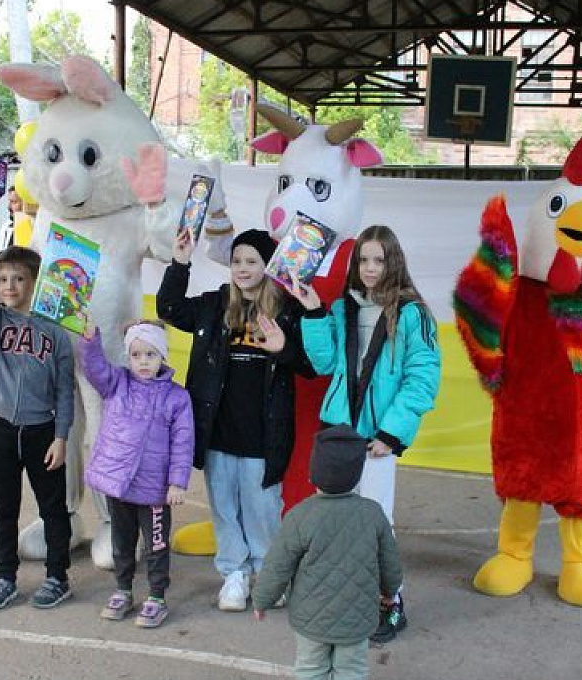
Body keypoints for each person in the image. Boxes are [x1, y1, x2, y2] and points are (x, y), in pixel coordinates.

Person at [284, 225, 441, 642]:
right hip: (338, 433)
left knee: (375, 523)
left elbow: (422, 379)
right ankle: (352, 599)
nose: (370, 268)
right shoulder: (342, 308)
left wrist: (391, 434)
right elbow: (322, 365)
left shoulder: (413, 314)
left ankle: (391, 604)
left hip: (377, 439)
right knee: (336, 522)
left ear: (394, 262)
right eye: (364, 260)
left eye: (379, 259)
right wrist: (314, 311)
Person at [157, 227, 309, 612]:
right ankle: (234, 576)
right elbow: (169, 309)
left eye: (251, 261)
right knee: (224, 508)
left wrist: (284, 349)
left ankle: (267, 574)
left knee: (262, 510)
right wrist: (179, 262)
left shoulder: (288, 310)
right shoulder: (214, 304)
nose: (242, 268)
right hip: (218, 431)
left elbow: (309, 366)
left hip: (263, 433)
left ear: (268, 266)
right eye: (237, 261)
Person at [0, 199, 76, 611]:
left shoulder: (58, 333)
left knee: (53, 509)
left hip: (42, 432)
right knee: (3, 509)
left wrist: (62, 437)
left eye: (18, 279)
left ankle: (57, 576)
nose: (8, 286)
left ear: (36, 283)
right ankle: (6, 576)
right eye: (2, 279)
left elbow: (65, 390)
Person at [253, 424, 402, 680]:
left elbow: (277, 565)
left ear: (312, 474)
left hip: (312, 618)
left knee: (310, 666)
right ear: (358, 474)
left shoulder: (300, 515)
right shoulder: (372, 514)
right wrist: (389, 592)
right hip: (356, 619)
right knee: (351, 669)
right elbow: (390, 563)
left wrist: (262, 599)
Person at [80, 318, 194, 628]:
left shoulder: (177, 398)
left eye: (150, 355)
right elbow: (94, 369)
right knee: (122, 541)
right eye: (136, 355)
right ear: (128, 356)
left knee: (156, 544)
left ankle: (157, 595)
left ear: (163, 356)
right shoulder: (117, 383)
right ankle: (123, 590)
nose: (142, 362)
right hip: (120, 486)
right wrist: (90, 342)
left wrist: (177, 482)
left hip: (155, 490)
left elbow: (183, 444)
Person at [0, 190, 38, 255]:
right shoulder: (6, 226)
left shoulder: (36, 227)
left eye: (13, 202)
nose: (9, 207)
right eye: (9, 202)